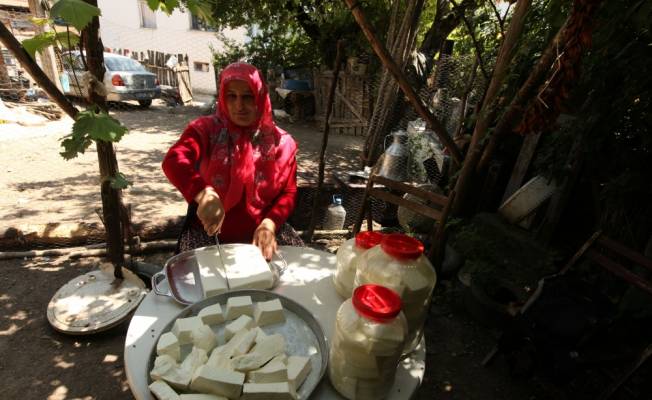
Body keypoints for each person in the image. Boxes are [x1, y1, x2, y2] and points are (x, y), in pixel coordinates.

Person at [162, 62, 303, 260]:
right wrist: (204, 194)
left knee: (292, 279)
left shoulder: (281, 143)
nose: (239, 106)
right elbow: (174, 160)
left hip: (265, 233)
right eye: (231, 96)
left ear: (260, 97)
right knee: (208, 287)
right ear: (222, 98)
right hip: (209, 235)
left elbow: (289, 192)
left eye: (248, 96)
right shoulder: (206, 130)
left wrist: (270, 223)